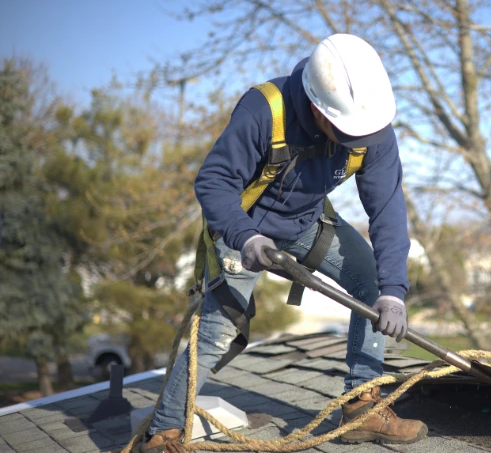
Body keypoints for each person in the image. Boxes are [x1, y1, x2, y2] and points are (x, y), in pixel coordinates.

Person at [140, 34, 427, 452]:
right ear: (315, 106)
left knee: (372, 283)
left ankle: (361, 409)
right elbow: (214, 181)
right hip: (246, 228)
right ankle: (164, 431)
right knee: (218, 329)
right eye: (344, 131)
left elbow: (387, 210)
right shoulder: (265, 110)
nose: (354, 141)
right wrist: (246, 237)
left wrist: (394, 293)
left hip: (307, 225)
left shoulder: (371, 125)